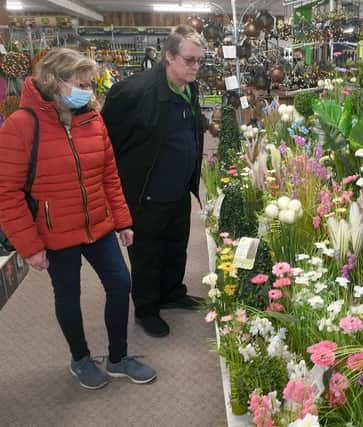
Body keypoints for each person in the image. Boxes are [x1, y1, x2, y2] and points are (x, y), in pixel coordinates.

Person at [0, 48, 156, 389]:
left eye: (91, 83)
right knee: (68, 298)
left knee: (120, 283)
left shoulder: (93, 119)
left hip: (98, 223)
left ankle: (118, 358)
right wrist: (29, 246)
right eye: (82, 83)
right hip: (55, 232)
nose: (89, 91)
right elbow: (7, 193)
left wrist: (122, 220)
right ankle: (81, 359)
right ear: (56, 82)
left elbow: (109, 175)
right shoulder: (20, 126)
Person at [102, 25, 206, 338]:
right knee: (147, 254)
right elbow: (107, 142)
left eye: (200, 61)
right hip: (146, 193)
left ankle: (172, 292)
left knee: (176, 247)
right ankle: (147, 309)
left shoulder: (190, 88)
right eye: (189, 60)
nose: (195, 67)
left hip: (178, 190)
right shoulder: (135, 92)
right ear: (168, 56)